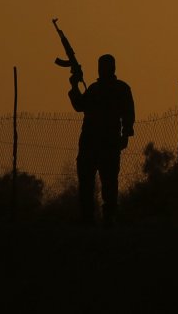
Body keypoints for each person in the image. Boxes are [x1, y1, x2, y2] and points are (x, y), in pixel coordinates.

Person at [68, 53, 135, 226]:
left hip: (103, 144)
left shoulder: (115, 89)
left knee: (107, 185)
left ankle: (104, 220)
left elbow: (128, 114)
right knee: (94, 184)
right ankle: (93, 220)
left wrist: (126, 134)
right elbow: (79, 105)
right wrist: (74, 85)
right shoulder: (99, 89)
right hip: (95, 144)